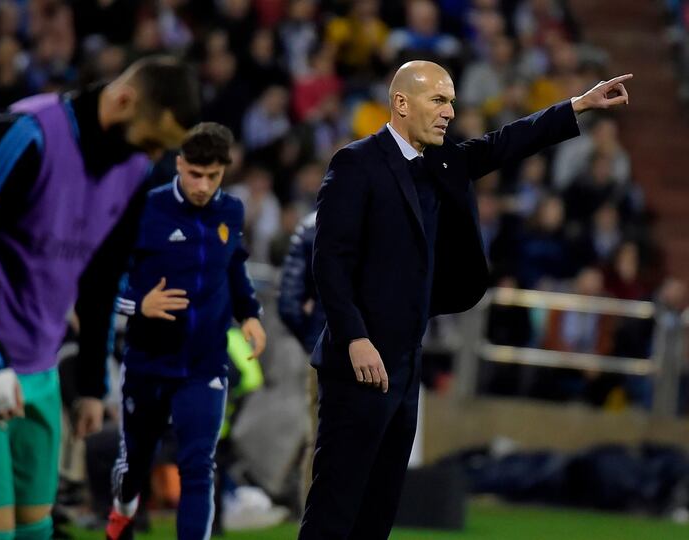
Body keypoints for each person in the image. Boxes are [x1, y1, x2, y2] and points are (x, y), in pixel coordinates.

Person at [300, 60, 632, 539]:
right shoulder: (356, 163)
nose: (449, 112)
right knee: (334, 510)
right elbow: (329, 261)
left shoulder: (441, 161)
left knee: (376, 515)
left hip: (406, 366)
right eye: (438, 100)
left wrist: (578, 105)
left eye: (452, 101)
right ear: (401, 103)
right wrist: (354, 338)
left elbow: (505, 143)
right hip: (358, 365)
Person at [0, 56, 200, 539]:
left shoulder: (133, 170)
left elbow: (103, 278)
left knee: (34, 530)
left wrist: (90, 384)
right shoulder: (28, 133)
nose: (151, 155)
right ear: (123, 102)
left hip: (35, 364)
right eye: (150, 140)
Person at [105, 122, 266, 540]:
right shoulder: (145, 209)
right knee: (137, 463)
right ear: (179, 164)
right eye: (195, 174)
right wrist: (138, 304)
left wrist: (249, 314)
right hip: (148, 361)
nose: (202, 185)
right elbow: (102, 280)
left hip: (204, 363)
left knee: (198, 464)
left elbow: (234, 266)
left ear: (224, 172)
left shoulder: (230, 211)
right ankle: (122, 510)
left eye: (212, 176)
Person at [277, 211, 326, 510]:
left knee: (321, 439)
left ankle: (312, 523)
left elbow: (289, 301)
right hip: (379, 347)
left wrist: (312, 341)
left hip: (325, 349)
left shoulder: (311, 222)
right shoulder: (388, 211)